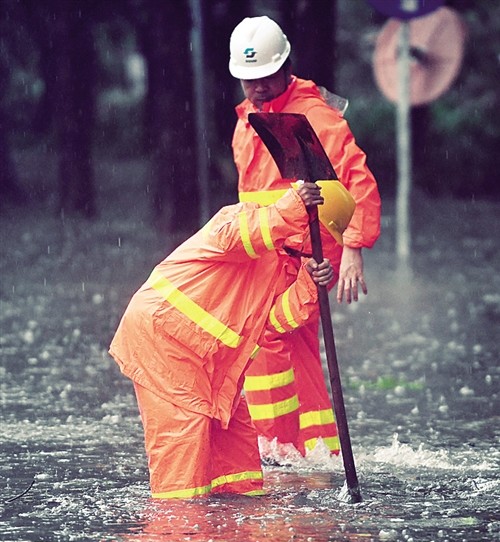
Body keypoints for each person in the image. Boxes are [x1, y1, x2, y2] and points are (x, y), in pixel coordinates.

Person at [109, 180, 355, 499]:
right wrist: (290, 209)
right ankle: (176, 537)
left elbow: (276, 322)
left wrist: (310, 284)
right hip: (166, 343)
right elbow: (239, 237)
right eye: (320, 237)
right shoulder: (243, 217)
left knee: (239, 469)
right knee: (183, 470)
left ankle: (233, 541)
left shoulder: (286, 265)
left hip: (213, 366)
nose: (319, 247)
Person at [228, 16, 382, 459]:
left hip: (309, 257)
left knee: (265, 333)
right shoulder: (248, 120)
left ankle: (273, 448)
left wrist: (353, 249)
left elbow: (358, 181)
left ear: (285, 67)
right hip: (269, 256)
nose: (256, 87)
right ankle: (317, 452)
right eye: (247, 79)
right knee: (296, 351)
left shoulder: (314, 116)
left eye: (265, 77)